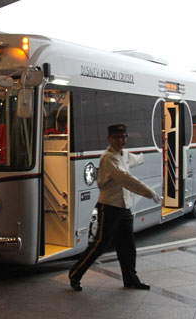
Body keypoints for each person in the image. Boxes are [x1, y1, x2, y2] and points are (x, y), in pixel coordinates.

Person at [69, 124, 161, 291]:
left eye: (124, 137)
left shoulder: (124, 154)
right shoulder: (108, 158)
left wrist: (149, 154)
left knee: (128, 246)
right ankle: (75, 273)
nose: (121, 140)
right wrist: (148, 191)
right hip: (109, 207)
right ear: (109, 139)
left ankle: (131, 279)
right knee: (100, 245)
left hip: (124, 208)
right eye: (117, 137)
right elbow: (125, 178)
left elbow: (134, 160)